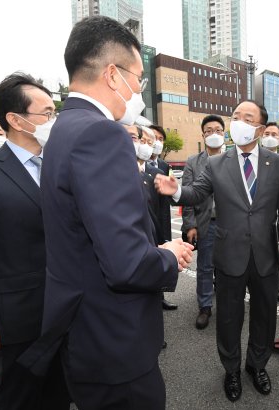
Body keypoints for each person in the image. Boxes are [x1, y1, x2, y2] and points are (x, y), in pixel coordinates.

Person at [18, 16, 193, 410]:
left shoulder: (64, 129)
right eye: (139, 80)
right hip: (115, 343)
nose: (139, 93)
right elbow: (126, 265)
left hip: (82, 333)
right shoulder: (103, 133)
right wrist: (167, 255)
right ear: (114, 75)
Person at [155, 100, 279, 402]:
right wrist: (177, 190)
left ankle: (257, 366)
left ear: (260, 128)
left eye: (247, 118)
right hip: (229, 253)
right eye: (236, 116)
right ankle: (231, 370)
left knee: (265, 316)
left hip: (265, 254)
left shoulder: (278, 163)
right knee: (230, 317)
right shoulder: (217, 163)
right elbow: (197, 192)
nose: (239, 122)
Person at [0, 73, 70, 409]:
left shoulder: (60, 166)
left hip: (65, 310)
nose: (54, 121)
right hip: (16, 318)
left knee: (59, 395)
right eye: (48, 113)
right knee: (18, 398)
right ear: (16, 119)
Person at [181, 114, 224, 329]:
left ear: (224, 134)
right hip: (206, 222)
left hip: (231, 224)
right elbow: (188, 196)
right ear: (203, 135)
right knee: (205, 267)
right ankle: (205, 306)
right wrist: (190, 225)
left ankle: (226, 304)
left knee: (228, 266)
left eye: (218, 130)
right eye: (209, 131)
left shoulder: (235, 159)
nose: (213, 134)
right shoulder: (193, 162)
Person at [142, 126, 178, 311]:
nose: (155, 143)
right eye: (150, 139)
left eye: (158, 139)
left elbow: (166, 203)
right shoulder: (136, 165)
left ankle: (160, 296)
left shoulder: (163, 166)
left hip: (160, 219)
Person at [261, 122, 279, 303]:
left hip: (277, 222)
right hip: (257, 221)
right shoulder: (252, 159)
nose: (270, 137)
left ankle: (275, 286)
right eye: (267, 133)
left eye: (274, 134)